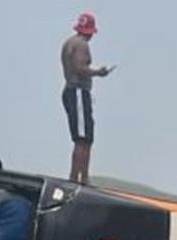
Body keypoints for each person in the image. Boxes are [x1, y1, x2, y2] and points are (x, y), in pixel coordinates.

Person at [61, 12, 113, 183]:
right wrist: (99, 72)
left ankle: (80, 176)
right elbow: (80, 67)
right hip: (78, 91)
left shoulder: (68, 43)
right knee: (83, 138)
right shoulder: (81, 45)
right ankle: (79, 177)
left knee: (83, 137)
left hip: (71, 91)